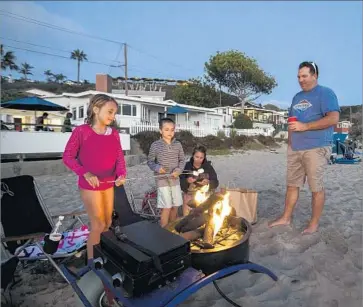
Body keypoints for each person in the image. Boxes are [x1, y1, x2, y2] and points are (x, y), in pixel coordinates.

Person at [269, 61, 340, 234]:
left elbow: (333, 118)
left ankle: (313, 224)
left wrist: (305, 127)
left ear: (314, 75)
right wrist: (290, 143)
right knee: (292, 185)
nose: (301, 80)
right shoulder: (296, 97)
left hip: (316, 147)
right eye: (298, 76)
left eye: (304, 76)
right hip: (295, 148)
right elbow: (292, 123)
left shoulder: (326, 93)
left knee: (316, 188)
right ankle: (286, 218)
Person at [62, 94, 127, 266]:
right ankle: (92, 263)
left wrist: (121, 174)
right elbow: (68, 156)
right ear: (96, 109)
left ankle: (101, 256)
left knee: (107, 223)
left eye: (115, 113)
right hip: (90, 186)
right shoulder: (81, 131)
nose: (113, 117)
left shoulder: (113, 134)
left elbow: (119, 157)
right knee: (97, 225)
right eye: (110, 112)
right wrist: (85, 173)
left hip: (108, 184)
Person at [147, 117, 185, 227]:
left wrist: (178, 170)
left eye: (172, 129)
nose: (170, 132)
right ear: (160, 130)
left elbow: (182, 160)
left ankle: (172, 228)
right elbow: (150, 161)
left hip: (175, 179)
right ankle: (164, 230)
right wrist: (157, 168)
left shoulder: (178, 144)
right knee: (167, 206)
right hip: (162, 180)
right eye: (166, 129)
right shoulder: (155, 145)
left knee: (175, 206)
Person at [180, 145, 219, 216]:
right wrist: (187, 181)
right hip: (190, 194)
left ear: (204, 158)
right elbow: (180, 182)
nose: (198, 159)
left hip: (205, 192)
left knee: (208, 205)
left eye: (201, 158)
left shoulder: (208, 167)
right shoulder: (186, 166)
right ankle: (187, 218)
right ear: (193, 156)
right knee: (187, 202)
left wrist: (208, 183)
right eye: (196, 157)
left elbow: (216, 182)